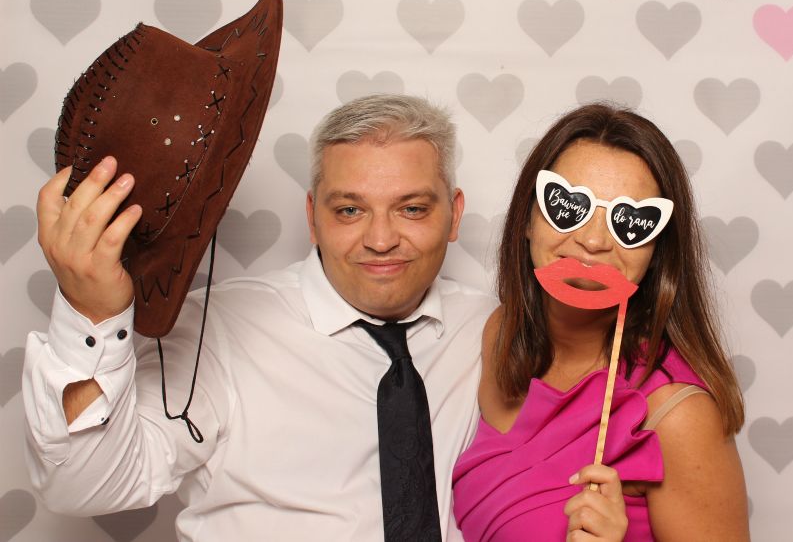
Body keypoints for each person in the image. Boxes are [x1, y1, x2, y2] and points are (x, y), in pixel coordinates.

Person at [24, 94, 495, 541]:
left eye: (412, 209)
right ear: (312, 217)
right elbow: (82, 486)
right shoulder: (216, 329)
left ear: (454, 215)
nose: (380, 239)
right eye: (350, 210)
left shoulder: (492, 329)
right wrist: (91, 312)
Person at [452, 104, 749, 541]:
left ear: (656, 253)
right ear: (528, 219)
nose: (593, 241)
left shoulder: (678, 414)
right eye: (569, 206)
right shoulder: (496, 331)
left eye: (631, 223)